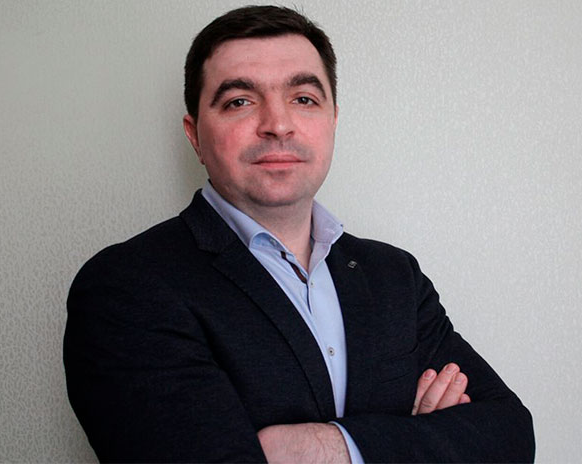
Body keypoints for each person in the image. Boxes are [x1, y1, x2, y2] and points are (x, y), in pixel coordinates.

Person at [64, 5, 535, 463]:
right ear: (194, 135)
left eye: (304, 99)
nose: (278, 124)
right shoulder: (127, 286)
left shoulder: (394, 276)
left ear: (332, 120)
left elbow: (511, 435)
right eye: (239, 101)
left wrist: (327, 448)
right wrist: (420, 439)